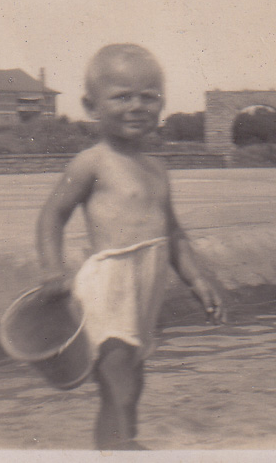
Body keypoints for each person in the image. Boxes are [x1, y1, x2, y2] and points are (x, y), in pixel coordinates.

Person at [36, 43, 226, 450]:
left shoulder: (158, 168)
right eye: (122, 96)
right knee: (117, 385)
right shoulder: (92, 162)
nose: (137, 106)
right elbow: (52, 215)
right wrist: (52, 268)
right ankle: (121, 450)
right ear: (91, 106)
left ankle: (121, 445)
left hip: (145, 290)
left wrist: (197, 279)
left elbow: (172, 233)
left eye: (148, 96)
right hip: (109, 288)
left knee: (133, 384)